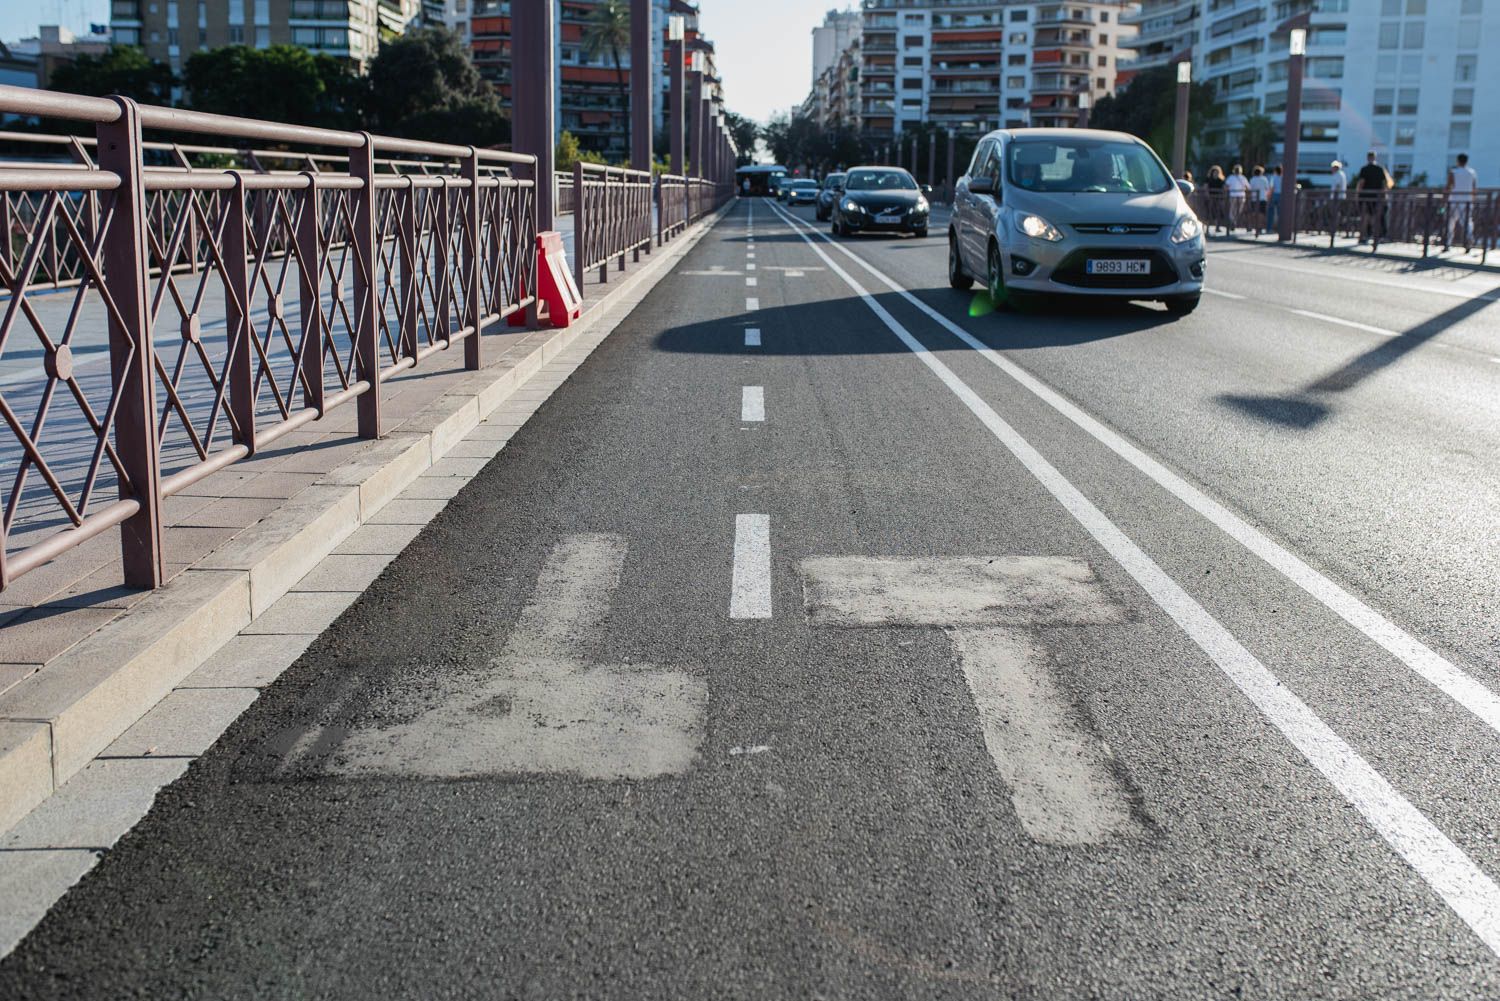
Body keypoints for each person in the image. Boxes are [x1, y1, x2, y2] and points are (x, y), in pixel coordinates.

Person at [1354, 150, 1390, 243]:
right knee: (1378, 216)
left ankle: (1366, 235)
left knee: (1366, 216)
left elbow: (1361, 183)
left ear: (1368, 158)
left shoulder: (1365, 169)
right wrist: (1385, 196)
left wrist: (1357, 195)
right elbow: (1384, 184)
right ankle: (1380, 236)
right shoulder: (1380, 169)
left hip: (1366, 197)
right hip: (1377, 197)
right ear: (1375, 157)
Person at [1445, 152, 1478, 251]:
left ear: (1458, 161)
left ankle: (1448, 243)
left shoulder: (1453, 172)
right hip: (1467, 200)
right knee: (1467, 221)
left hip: (1454, 200)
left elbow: (1449, 186)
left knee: (1450, 222)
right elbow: (1474, 188)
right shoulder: (1472, 172)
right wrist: (1472, 200)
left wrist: (1445, 198)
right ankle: (1469, 239)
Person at [1224, 164, 1250, 230]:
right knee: (1238, 210)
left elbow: (1226, 187)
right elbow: (1248, 187)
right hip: (1241, 196)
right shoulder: (1243, 178)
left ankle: (1233, 222)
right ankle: (1234, 222)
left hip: (1233, 195)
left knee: (1233, 210)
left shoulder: (1230, 177)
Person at [1248, 165, 1272, 233]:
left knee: (1254, 213)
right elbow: (1267, 189)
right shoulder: (1264, 179)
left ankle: (1254, 226)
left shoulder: (1252, 179)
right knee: (1261, 214)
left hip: (1254, 199)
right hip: (1262, 198)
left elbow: (1250, 189)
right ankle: (1260, 227)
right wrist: (1268, 197)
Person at [1205, 165, 1226, 232]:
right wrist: (1207, 195)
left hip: (1218, 198)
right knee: (1209, 212)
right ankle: (1207, 228)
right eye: (1214, 172)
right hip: (1211, 198)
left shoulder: (1221, 180)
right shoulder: (1208, 179)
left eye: (1217, 172)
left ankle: (1217, 227)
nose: (1215, 174)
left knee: (1218, 213)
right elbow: (1206, 187)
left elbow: (1223, 188)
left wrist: (1223, 196)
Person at [1267, 165, 1283, 232]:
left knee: (1271, 212)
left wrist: (1269, 196)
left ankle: (1269, 228)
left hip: (1274, 195)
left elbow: (1271, 187)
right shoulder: (1283, 177)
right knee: (1280, 213)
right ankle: (1280, 229)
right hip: (1282, 195)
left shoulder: (1273, 177)